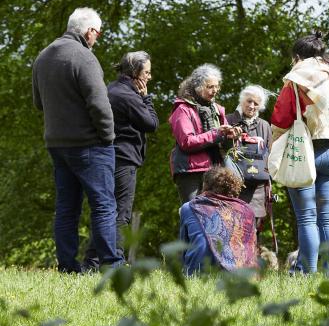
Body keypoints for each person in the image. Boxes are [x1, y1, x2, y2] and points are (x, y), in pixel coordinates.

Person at [32, 7, 123, 273]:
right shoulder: (84, 57)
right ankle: (112, 266)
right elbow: (99, 104)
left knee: (66, 208)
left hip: (57, 144)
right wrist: (107, 137)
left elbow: (39, 103)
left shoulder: (43, 56)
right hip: (89, 145)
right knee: (104, 205)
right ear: (89, 31)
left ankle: (68, 267)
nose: (97, 39)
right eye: (98, 34)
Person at [270, 32, 329, 275]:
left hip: (306, 154)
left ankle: (306, 273)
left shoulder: (296, 79)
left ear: (297, 57)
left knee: (307, 218)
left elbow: (282, 118)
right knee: (327, 219)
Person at [83, 51, 159, 269]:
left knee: (107, 210)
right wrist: (147, 98)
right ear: (135, 73)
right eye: (147, 72)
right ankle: (116, 262)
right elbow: (152, 124)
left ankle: (91, 263)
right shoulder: (128, 95)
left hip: (106, 156)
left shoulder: (111, 89)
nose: (149, 77)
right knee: (120, 213)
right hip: (123, 159)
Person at [169, 64, 240, 204]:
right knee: (192, 214)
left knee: (215, 217)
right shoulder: (183, 109)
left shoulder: (217, 110)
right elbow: (186, 142)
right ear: (198, 86)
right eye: (210, 87)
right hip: (191, 171)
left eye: (217, 86)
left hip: (216, 170)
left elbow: (224, 146)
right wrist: (216, 134)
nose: (215, 91)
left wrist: (232, 137)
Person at [179, 166, 258, 275]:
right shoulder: (247, 211)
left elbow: (184, 246)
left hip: (199, 273)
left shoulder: (190, 207)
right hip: (242, 276)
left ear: (205, 185)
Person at [226, 85, 272, 234]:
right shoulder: (228, 120)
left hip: (257, 190)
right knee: (232, 232)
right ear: (242, 100)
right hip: (232, 187)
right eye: (249, 101)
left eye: (256, 103)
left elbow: (270, 155)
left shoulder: (265, 126)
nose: (252, 106)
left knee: (252, 235)